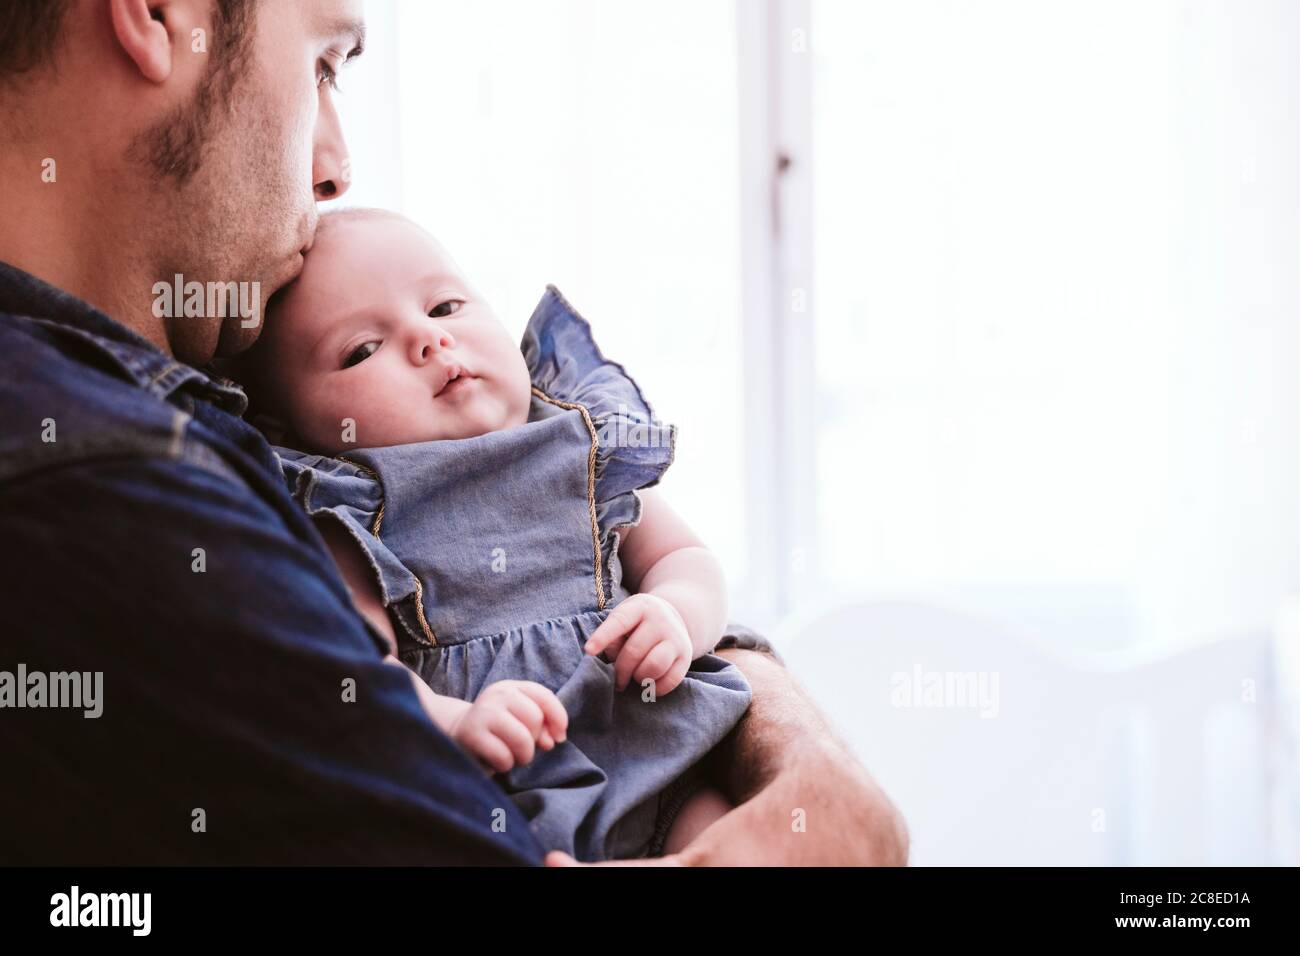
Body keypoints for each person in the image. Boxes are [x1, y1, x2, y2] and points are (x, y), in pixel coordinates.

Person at [0, 0, 908, 866]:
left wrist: (800, 765)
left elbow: (659, 577)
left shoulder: (153, 430)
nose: (335, 167)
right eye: (321, 63)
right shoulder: (110, 494)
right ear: (159, 17)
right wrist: (823, 795)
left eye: (444, 304)